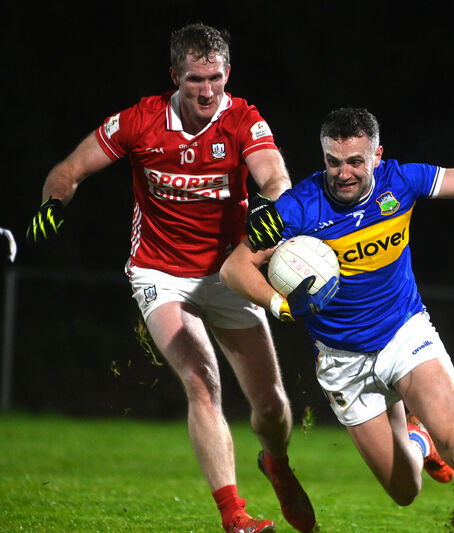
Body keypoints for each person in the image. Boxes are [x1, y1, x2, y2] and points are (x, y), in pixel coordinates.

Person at [26, 23, 313, 533]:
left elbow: (274, 175)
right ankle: (234, 515)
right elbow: (69, 169)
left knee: (271, 404)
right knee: (201, 380)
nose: (207, 91)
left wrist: (270, 205)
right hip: (159, 272)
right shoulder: (139, 121)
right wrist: (53, 203)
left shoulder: (242, 117)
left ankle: (276, 464)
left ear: (228, 75)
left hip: (228, 271)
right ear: (175, 77)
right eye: (196, 80)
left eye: (216, 79)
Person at [221, 107, 454, 532]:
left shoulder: (401, 181)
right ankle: (417, 438)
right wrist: (280, 305)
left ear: (377, 156)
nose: (343, 173)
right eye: (333, 162)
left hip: (404, 334)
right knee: (405, 492)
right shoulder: (299, 207)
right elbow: (234, 268)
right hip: (343, 363)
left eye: (355, 161)